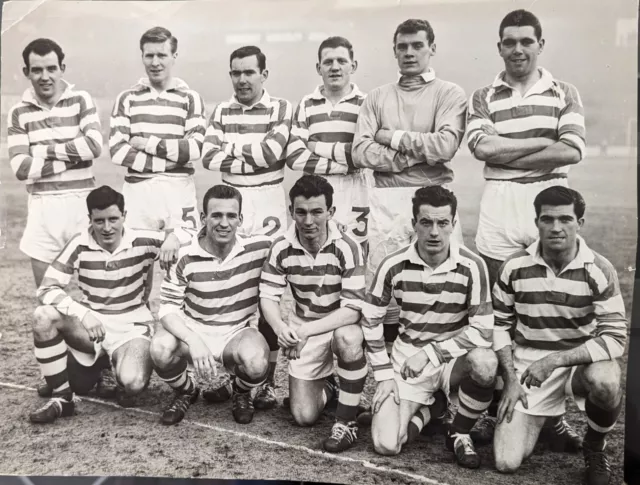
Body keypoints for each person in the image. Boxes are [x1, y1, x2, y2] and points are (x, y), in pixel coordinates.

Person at [466, 9, 586, 446]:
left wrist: (506, 152)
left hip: (547, 205)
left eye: (526, 41)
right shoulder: (483, 95)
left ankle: (551, 416)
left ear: (540, 44)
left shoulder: (563, 92)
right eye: (509, 41)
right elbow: (482, 148)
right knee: (504, 312)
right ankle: (500, 402)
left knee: (547, 310)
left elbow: (572, 151)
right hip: (499, 205)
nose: (518, 49)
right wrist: (543, 143)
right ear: (499, 46)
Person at [351, 19, 467, 402]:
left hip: (435, 201)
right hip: (387, 201)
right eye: (402, 46)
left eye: (418, 45)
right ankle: (392, 386)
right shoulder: (377, 97)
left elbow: (445, 147)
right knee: (387, 296)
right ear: (395, 50)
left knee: (443, 292)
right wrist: (410, 159)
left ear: (432, 47)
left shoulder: (450, 93)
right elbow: (361, 151)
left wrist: (394, 139)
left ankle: (447, 396)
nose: (410, 53)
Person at [492, 186, 626, 485]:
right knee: (505, 462)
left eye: (565, 219)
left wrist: (556, 360)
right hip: (528, 366)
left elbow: (616, 337)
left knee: (606, 380)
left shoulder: (599, 269)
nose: (556, 228)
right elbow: (498, 326)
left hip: (577, 363)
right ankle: (550, 421)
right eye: (547, 219)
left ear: (580, 222)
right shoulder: (514, 267)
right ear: (536, 221)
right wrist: (511, 380)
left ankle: (595, 445)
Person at [28, 186, 188, 424]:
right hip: (92, 326)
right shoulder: (79, 243)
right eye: (99, 220)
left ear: (125, 215)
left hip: (132, 326)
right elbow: (46, 288)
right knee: (43, 316)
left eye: (114, 219)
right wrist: (82, 313)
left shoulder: (143, 239)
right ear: (89, 219)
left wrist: (175, 237)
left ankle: (108, 366)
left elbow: (198, 236)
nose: (106, 227)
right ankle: (63, 398)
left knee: (132, 384)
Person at [362, 186, 496, 469]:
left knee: (485, 363)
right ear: (414, 225)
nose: (434, 232)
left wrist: (431, 353)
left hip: (452, 359)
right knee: (386, 445)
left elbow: (483, 331)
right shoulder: (393, 265)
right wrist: (384, 376)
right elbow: (370, 320)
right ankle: (432, 410)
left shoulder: (473, 266)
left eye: (442, 223)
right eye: (426, 222)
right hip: (408, 359)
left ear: (453, 225)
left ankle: (458, 430)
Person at [8, 38, 109, 398]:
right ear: (27, 72)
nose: (45, 76)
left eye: (52, 68)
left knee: (98, 293)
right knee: (49, 299)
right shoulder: (19, 112)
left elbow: (94, 146)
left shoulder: (80, 100)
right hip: (42, 210)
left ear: (62, 68)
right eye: (37, 69)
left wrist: (42, 153)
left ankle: (105, 363)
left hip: (81, 205)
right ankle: (63, 371)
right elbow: (20, 167)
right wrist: (69, 152)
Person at [201, 45, 293, 410]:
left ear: (263, 75)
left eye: (249, 72)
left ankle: (266, 382)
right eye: (235, 73)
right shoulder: (221, 110)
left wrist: (233, 156)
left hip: (268, 201)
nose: (241, 79)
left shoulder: (281, 108)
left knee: (267, 291)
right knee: (229, 285)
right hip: (229, 202)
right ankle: (236, 377)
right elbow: (208, 156)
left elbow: (272, 154)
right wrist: (248, 159)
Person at [260, 175, 368, 453]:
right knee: (303, 417)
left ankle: (346, 421)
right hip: (303, 323)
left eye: (317, 211)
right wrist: (283, 329)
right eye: (302, 212)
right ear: (291, 211)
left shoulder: (348, 246)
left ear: (331, 212)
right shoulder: (281, 247)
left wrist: (305, 333)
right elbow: (268, 298)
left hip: (337, 323)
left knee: (349, 338)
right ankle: (330, 387)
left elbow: (353, 310)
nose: (309, 221)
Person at [150, 185, 272, 425]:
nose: (223, 223)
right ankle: (186, 389)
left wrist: (336, 228)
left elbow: (297, 237)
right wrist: (193, 340)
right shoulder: (183, 255)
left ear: (241, 219)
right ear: (203, 218)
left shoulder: (259, 248)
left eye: (231, 216)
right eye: (216, 215)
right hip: (193, 327)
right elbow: (166, 308)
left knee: (257, 363)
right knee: (159, 349)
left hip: (236, 332)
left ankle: (240, 391)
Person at [110, 26, 206, 233]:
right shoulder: (127, 98)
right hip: (138, 193)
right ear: (142, 57)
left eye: (162, 55)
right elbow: (118, 152)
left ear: (174, 56)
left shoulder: (190, 98)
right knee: (136, 260)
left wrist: (146, 144)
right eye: (149, 55)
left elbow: (195, 149)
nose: (155, 62)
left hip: (179, 191)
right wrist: (172, 159)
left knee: (181, 259)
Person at [285, 36, 369, 256]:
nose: (335, 67)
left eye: (341, 61)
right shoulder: (306, 103)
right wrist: (345, 163)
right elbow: (295, 157)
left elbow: (362, 155)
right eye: (328, 62)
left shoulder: (366, 103)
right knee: (317, 254)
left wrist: (315, 146)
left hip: (355, 187)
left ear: (353, 65)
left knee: (355, 253)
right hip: (316, 188)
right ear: (318, 67)